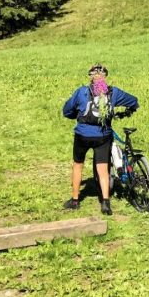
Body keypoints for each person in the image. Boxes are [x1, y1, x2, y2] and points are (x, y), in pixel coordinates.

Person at [62, 64, 138, 215]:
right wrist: (128, 110)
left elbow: (67, 110)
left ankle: (75, 200)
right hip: (103, 135)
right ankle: (105, 204)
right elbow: (133, 101)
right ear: (105, 77)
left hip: (82, 134)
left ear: (90, 77)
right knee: (103, 169)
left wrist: (75, 116)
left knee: (78, 164)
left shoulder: (82, 92)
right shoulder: (113, 92)